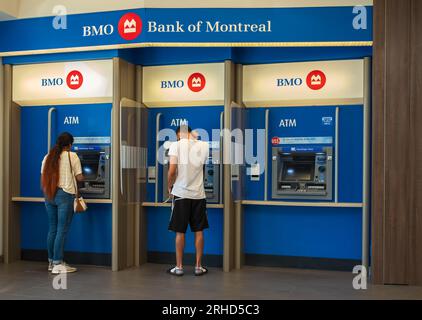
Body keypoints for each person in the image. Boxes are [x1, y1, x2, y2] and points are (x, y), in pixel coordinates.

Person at [167, 125, 210, 276]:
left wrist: (169, 186)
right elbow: (203, 169)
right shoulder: (204, 146)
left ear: (179, 134)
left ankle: (179, 267)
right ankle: (198, 266)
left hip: (181, 195)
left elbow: (172, 171)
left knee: (180, 232)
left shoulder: (176, 145)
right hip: (199, 195)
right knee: (199, 231)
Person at [41, 132, 83, 274]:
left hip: (49, 195)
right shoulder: (73, 156)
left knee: (52, 229)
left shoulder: (48, 157)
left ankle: (51, 262)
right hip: (65, 194)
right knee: (61, 230)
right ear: (70, 144)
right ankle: (58, 264)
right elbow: (80, 177)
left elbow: (43, 177)